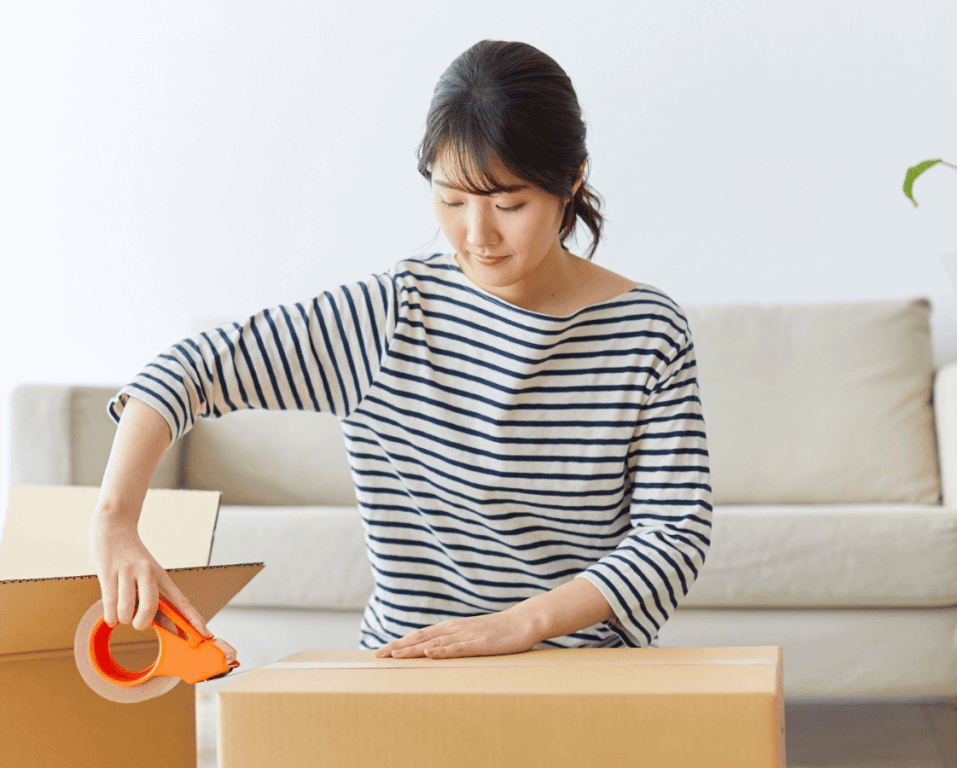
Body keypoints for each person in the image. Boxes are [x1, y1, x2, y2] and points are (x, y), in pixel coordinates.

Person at [89, 39, 713, 663]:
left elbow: (674, 531)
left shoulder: (646, 331)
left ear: (571, 181)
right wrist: (115, 520)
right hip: (410, 668)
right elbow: (187, 370)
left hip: (581, 665)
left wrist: (524, 623)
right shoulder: (391, 317)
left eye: (509, 204)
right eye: (451, 201)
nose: (478, 235)